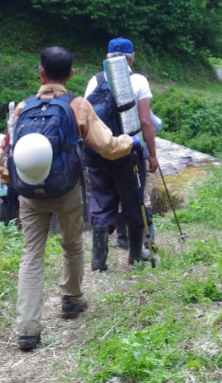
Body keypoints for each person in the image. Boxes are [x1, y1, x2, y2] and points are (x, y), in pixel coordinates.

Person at [0, 46, 135, 352]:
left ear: (40, 71)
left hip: (30, 193)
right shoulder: (78, 105)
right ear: (71, 74)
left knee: (31, 255)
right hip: (67, 190)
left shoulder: (23, 107)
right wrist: (129, 141)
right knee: (72, 245)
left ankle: (28, 329)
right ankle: (71, 300)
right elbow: (107, 146)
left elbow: (9, 150)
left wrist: (9, 182)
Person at [84, 37, 159, 271]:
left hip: (98, 151)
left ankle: (98, 261)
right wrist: (152, 155)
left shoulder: (94, 81)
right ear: (132, 57)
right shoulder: (138, 80)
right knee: (133, 198)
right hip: (128, 152)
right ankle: (136, 256)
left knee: (101, 199)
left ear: (107, 57)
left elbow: (87, 118)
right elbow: (146, 121)